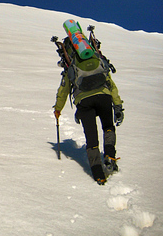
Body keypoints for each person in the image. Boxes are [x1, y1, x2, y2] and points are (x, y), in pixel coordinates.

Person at [53, 38, 124, 185]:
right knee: (108, 127)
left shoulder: (71, 64)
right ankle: (110, 155)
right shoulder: (96, 58)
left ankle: (98, 174)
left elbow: (64, 89)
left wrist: (58, 109)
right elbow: (110, 83)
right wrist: (117, 105)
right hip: (104, 96)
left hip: (84, 101)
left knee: (91, 137)